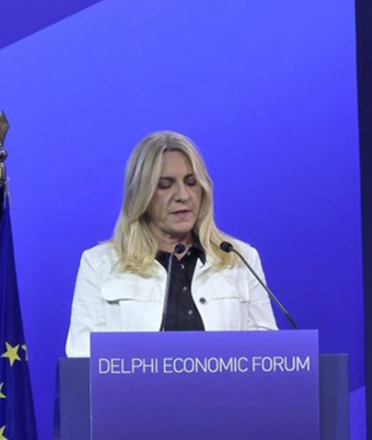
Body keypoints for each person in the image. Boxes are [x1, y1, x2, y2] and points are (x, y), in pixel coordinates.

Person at [65, 131, 277, 357]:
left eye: (191, 182)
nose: (183, 195)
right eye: (165, 185)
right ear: (141, 195)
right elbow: (83, 359)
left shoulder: (240, 259)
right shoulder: (100, 264)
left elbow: (268, 356)